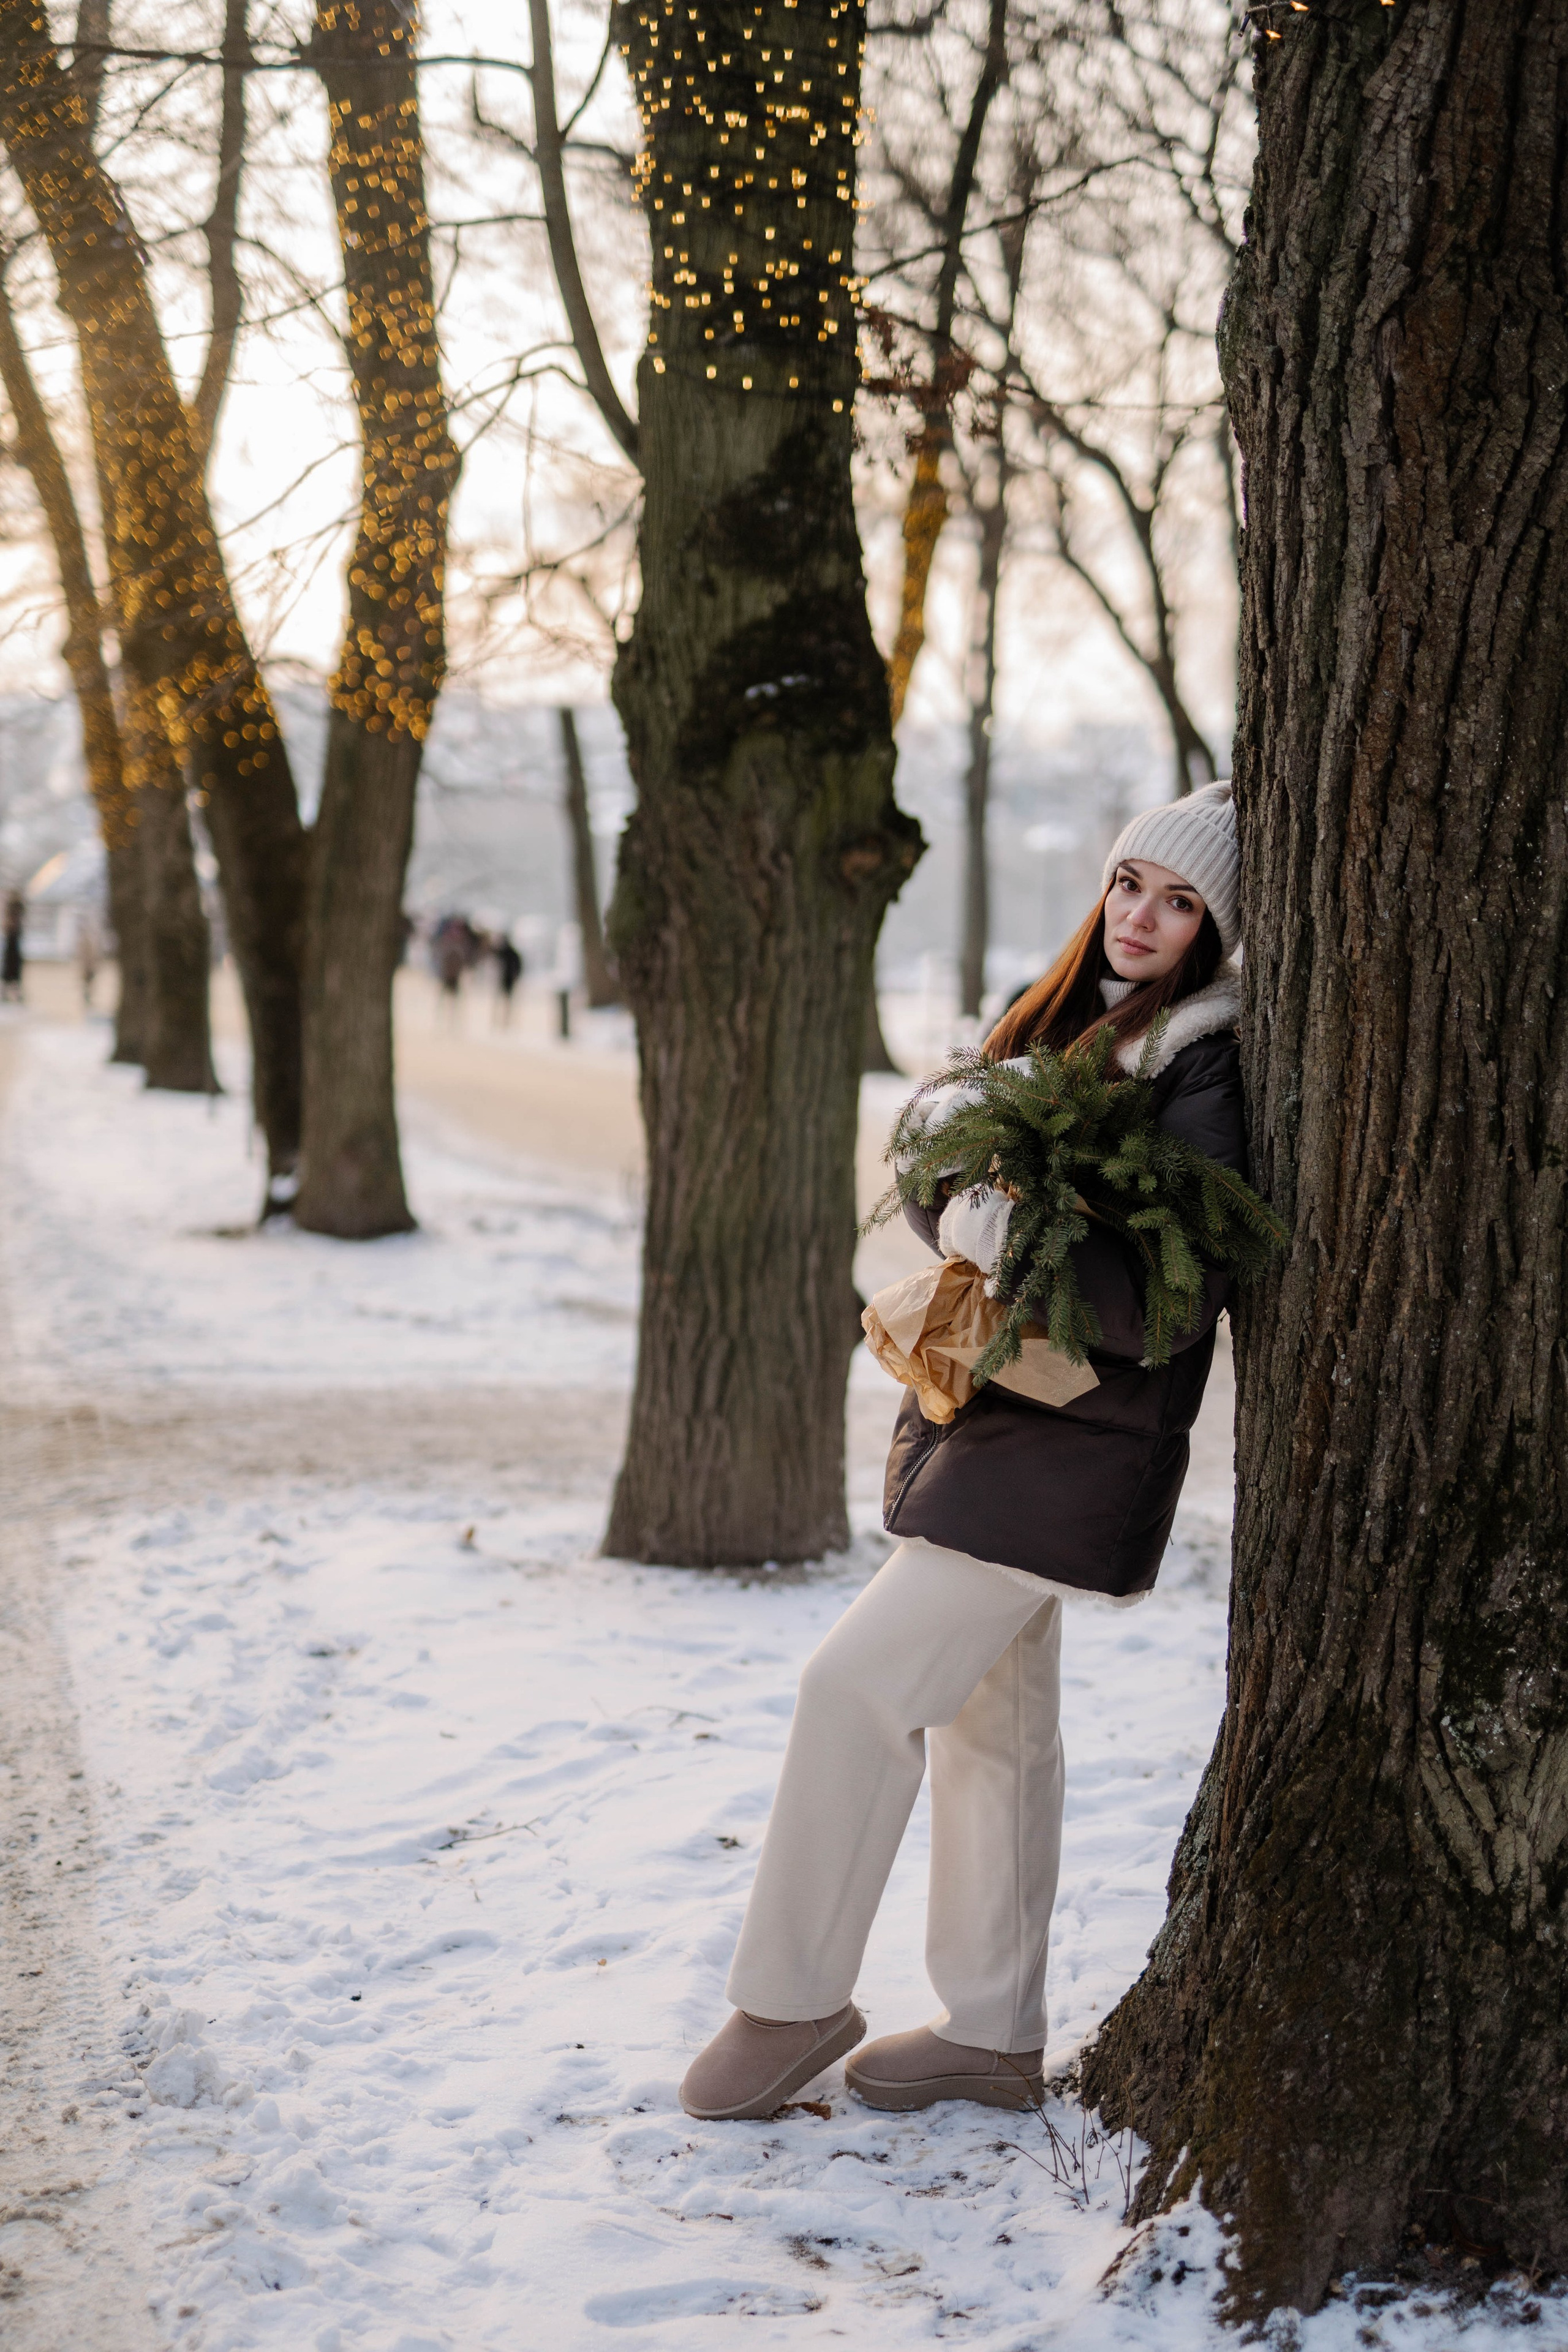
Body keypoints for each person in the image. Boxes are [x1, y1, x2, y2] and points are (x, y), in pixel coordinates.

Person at [679, 781, 1247, 2124]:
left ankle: (786, 1999)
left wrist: (1012, 1238)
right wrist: (964, 1196)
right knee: (994, 1726)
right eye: (1128, 885)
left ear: (1218, 933)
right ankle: (992, 2033)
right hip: (1002, 1419)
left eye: (1181, 903)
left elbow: (1172, 1292)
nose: (1141, 918)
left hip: (1071, 1442)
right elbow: (954, 1165)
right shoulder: (1065, 1021)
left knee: (852, 1690)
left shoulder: (1196, 1058)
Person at [492, 932, 523, 1025]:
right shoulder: (503, 953)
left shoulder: (510, 953)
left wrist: (516, 976)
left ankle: (504, 1020)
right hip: (503, 979)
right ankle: (499, 1020)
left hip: (507, 979)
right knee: (502, 1001)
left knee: (506, 1001)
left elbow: (518, 967)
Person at [1, 889, 23, 1003]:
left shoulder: (16, 934)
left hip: (14, 948)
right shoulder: (11, 935)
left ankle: (13, 993)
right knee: (9, 972)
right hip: (11, 948)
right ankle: (6, 992)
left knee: (13, 972)